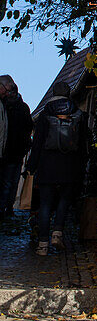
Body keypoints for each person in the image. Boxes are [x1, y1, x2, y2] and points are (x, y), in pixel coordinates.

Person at [27, 81, 87, 256]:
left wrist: (32, 165)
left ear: (53, 93)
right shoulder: (77, 114)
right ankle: (57, 233)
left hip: (47, 164)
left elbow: (37, 143)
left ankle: (43, 244)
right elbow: (82, 143)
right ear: (68, 94)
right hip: (69, 164)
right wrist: (82, 164)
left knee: (45, 204)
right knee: (64, 200)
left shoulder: (46, 113)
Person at [0, 75, 33, 217]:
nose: (8, 94)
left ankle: (7, 208)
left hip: (14, 151)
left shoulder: (13, 107)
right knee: (9, 182)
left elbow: (28, 127)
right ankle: (5, 208)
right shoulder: (9, 106)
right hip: (10, 150)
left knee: (10, 182)